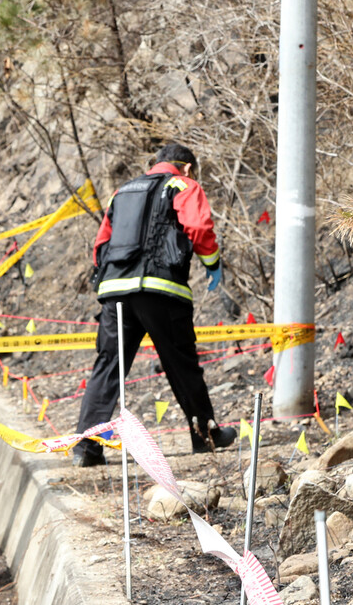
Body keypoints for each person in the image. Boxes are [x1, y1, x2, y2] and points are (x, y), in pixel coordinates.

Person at [73, 143, 236, 467]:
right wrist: (212, 263)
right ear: (187, 167)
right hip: (161, 290)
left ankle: (86, 447)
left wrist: (105, 281)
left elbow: (101, 243)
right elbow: (200, 228)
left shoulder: (123, 191)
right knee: (181, 364)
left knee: (108, 366)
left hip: (114, 290)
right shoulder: (184, 185)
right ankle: (205, 436)